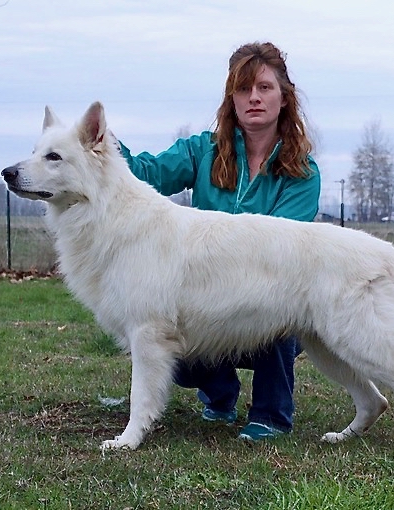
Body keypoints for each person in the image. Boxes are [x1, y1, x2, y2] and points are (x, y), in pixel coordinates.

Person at [118, 41, 321, 441]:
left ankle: (271, 415)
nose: (253, 98)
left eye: (264, 88)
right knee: (175, 337)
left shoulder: (302, 172)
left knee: (280, 309)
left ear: (284, 97)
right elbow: (148, 174)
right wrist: (103, 146)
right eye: (243, 90)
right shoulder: (202, 151)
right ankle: (221, 395)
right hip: (211, 301)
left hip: (268, 295)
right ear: (232, 99)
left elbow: (282, 247)